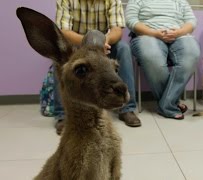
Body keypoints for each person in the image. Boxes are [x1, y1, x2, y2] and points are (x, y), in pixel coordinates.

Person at [54, 0, 141, 134]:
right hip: (78, 47)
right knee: (62, 61)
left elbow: (117, 30)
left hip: (104, 45)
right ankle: (62, 114)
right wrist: (88, 44)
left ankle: (127, 108)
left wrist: (103, 42)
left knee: (123, 48)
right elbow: (64, 31)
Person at [125, 0, 200, 120]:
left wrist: (179, 32)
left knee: (192, 53)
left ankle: (166, 104)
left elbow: (191, 21)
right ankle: (171, 104)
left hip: (179, 36)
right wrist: (154, 33)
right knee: (153, 57)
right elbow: (131, 20)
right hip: (147, 36)